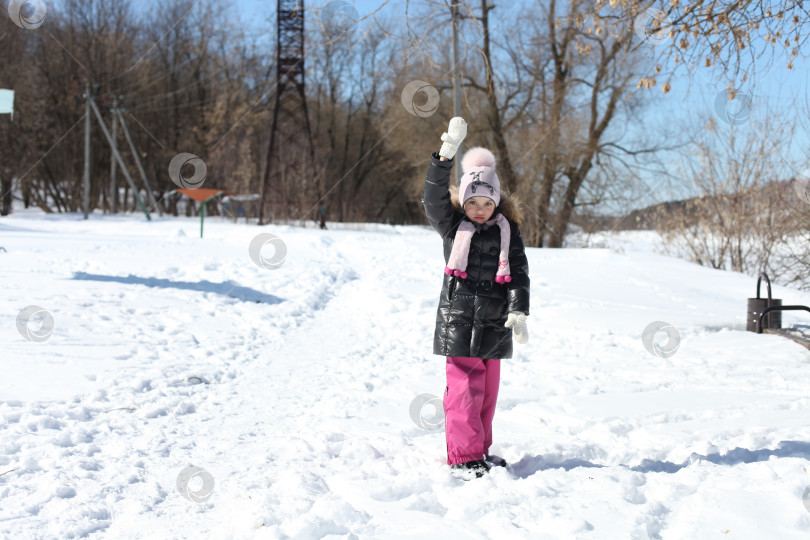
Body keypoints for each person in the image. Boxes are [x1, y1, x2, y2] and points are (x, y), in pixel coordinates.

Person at [422, 116, 530, 479]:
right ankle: (464, 456)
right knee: (465, 391)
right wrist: (444, 158)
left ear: (496, 202)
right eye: (473, 202)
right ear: (463, 202)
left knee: (487, 393)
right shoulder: (453, 227)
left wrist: (518, 310)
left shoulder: (507, 231)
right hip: (459, 320)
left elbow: (517, 273)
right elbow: (433, 197)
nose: (480, 209)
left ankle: (478, 450)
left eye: (487, 202)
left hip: (494, 322)